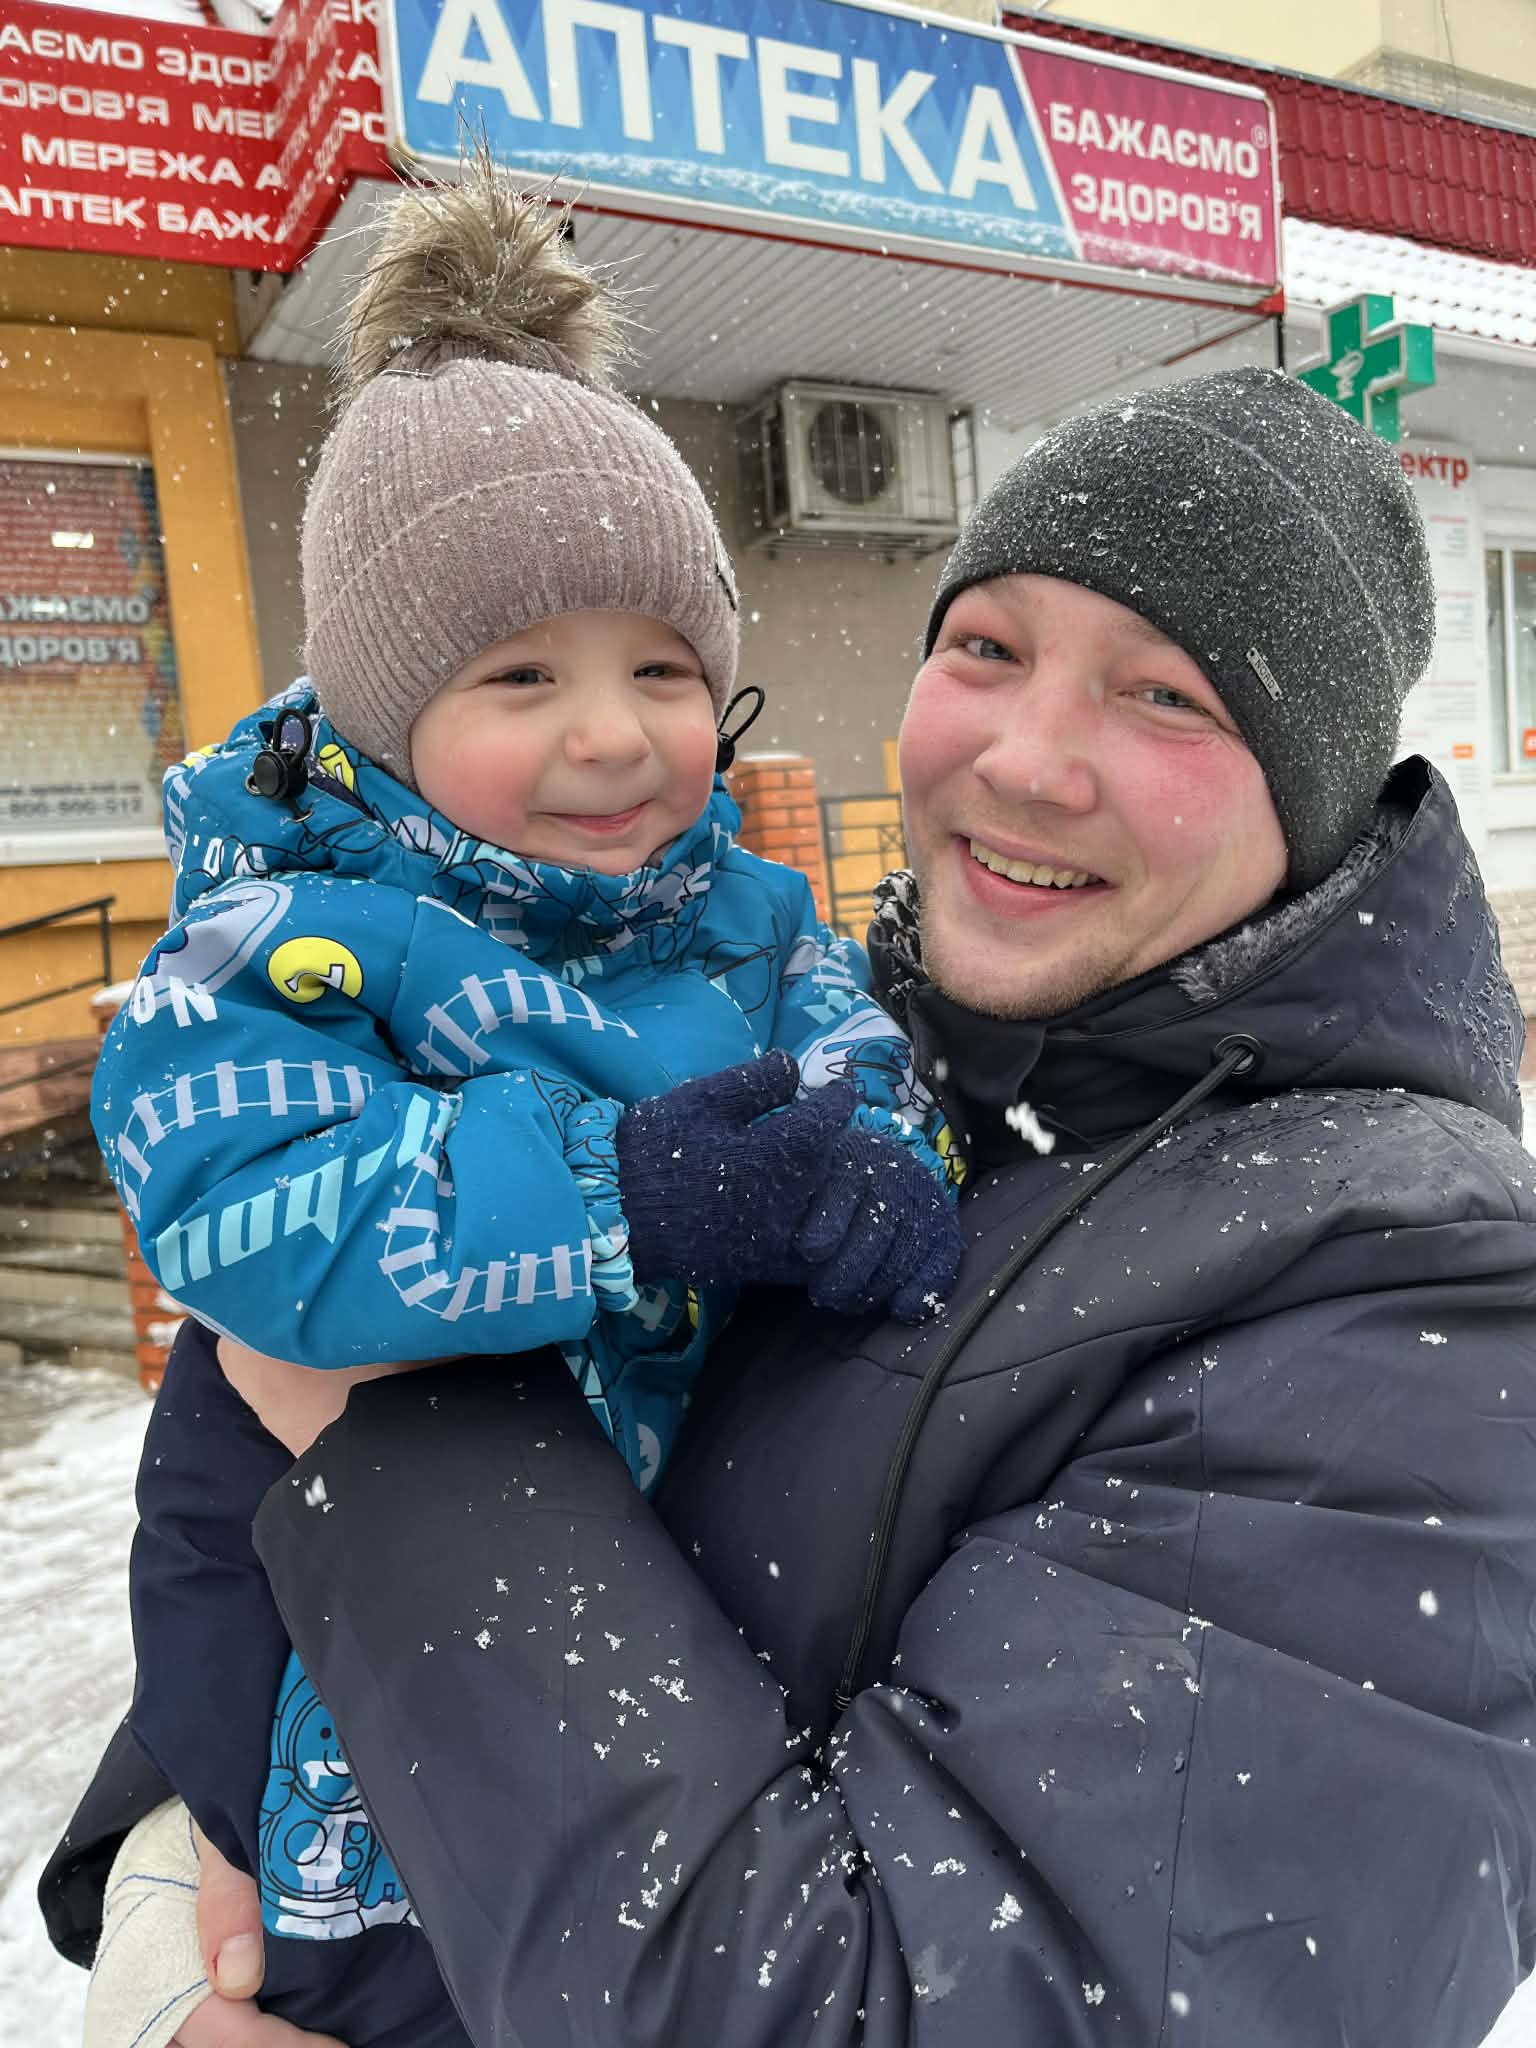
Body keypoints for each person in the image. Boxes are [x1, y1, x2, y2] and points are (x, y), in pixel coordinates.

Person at [47, 363, 1536, 2048]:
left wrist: (379, 1428)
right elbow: (270, 1410)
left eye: (1166, 696)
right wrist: (178, 1877)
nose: (1028, 760)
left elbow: (915, 2012)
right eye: (988, 649)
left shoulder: (1418, 1306)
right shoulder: (876, 1038)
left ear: (1312, 790)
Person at [68, 156, 962, 2048]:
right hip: (326, 1635)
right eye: (523, 673)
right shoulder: (290, 937)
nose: (611, 732)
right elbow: (242, 1199)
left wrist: (879, 1161)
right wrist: (617, 1191)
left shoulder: (746, 918)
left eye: (663, 668)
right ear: (384, 715)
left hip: (624, 1647)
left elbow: (857, 1060)